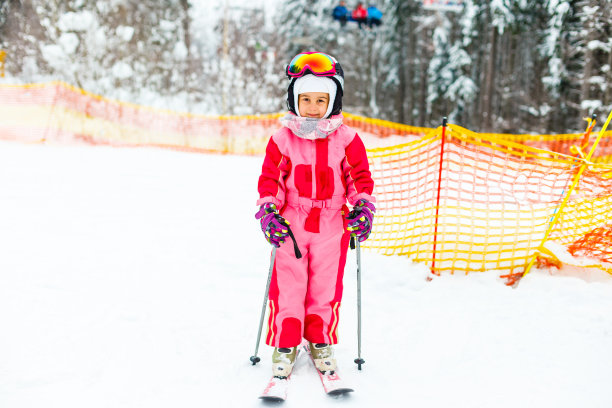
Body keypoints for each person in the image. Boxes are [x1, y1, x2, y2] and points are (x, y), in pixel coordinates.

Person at [255, 51, 375, 379]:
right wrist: (268, 209)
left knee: (325, 286)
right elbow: (271, 179)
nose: (311, 106)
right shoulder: (282, 139)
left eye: (320, 100)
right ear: (294, 100)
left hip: (333, 224)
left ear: (332, 101)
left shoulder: (348, 139)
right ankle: (286, 342)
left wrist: (363, 206)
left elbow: (358, 177)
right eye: (304, 99)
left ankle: (320, 339)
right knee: (289, 284)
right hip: (292, 223)